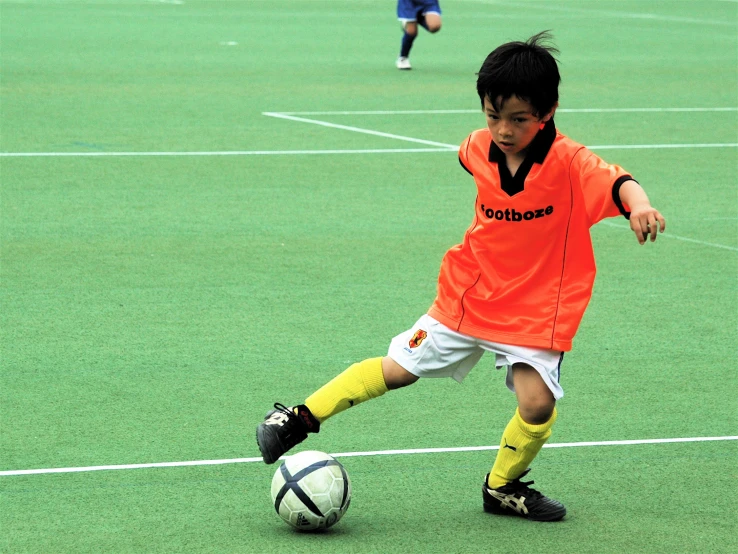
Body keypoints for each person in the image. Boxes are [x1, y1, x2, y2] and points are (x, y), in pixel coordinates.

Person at [256, 31, 666, 522]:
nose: (503, 130)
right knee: (398, 369)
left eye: (518, 119)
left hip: (538, 308)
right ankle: (297, 419)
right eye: (493, 116)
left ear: (548, 112)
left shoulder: (572, 163)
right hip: (470, 293)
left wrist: (639, 205)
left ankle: (501, 487)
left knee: (536, 405)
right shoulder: (475, 148)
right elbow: (479, 162)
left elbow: (619, 181)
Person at [395, 0, 442, 70]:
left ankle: (415, 19)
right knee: (412, 32)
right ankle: (403, 57)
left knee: (435, 26)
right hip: (408, 2)